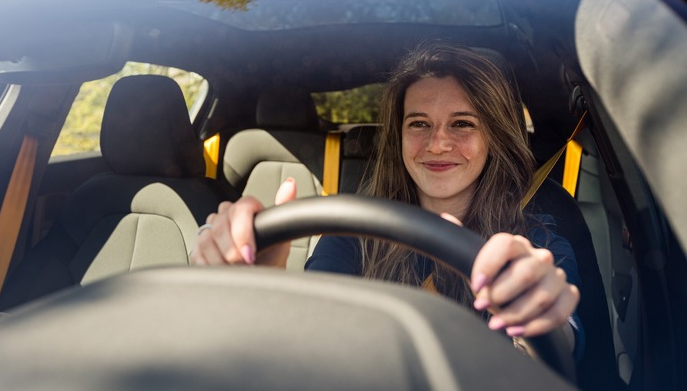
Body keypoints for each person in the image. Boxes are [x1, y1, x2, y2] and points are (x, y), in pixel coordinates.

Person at [190, 42, 583, 358]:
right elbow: (312, 334)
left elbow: (562, 339)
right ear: (398, 136)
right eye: (419, 124)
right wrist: (260, 284)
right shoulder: (353, 232)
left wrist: (536, 317)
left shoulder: (535, 236)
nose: (438, 143)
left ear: (493, 137)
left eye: (462, 123)